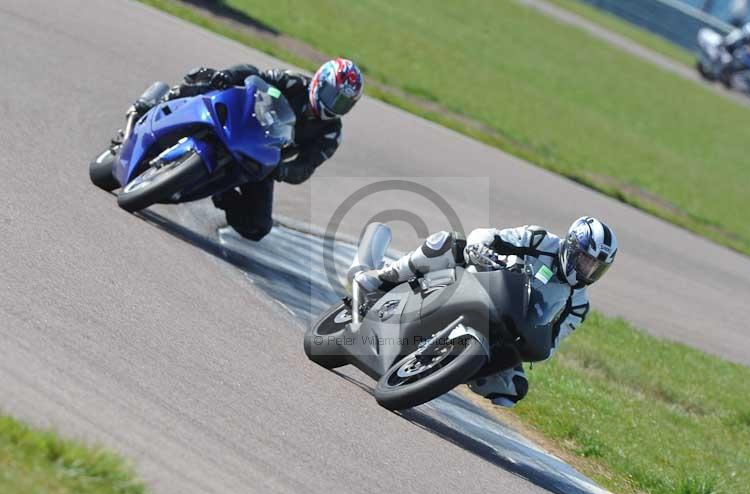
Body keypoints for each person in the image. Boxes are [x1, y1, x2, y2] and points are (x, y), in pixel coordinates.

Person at [355, 217, 618, 407]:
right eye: (585, 259)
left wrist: (537, 344)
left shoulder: (579, 304)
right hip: (483, 281)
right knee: (447, 243)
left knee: (513, 389)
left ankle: (451, 369)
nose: (588, 270)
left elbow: (552, 343)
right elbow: (491, 235)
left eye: (596, 267)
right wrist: (480, 247)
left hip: (508, 327)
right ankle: (382, 278)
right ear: (572, 247)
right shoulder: (539, 240)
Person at [120, 59, 363, 241]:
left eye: (343, 103)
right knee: (208, 82)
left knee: (257, 227)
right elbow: (254, 74)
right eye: (333, 95)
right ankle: (160, 102)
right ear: (320, 82)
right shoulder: (292, 82)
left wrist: (282, 169)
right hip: (241, 123)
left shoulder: (331, 132)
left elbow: (305, 167)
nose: (334, 105)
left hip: (263, 157)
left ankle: (221, 191)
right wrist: (228, 75)